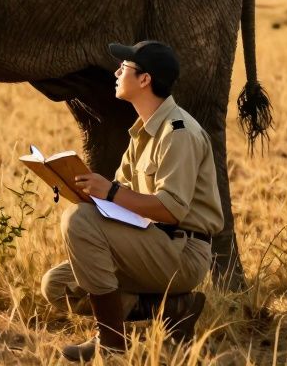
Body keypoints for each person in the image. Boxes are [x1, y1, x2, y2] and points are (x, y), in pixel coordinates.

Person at [40, 41, 220, 362]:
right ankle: (174, 308)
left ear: (145, 80)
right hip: (149, 243)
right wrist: (75, 187)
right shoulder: (143, 132)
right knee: (58, 285)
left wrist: (108, 192)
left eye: (124, 67)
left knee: (78, 221)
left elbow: (171, 208)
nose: (116, 71)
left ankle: (111, 343)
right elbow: (123, 198)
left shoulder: (177, 132)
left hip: (181, 252)